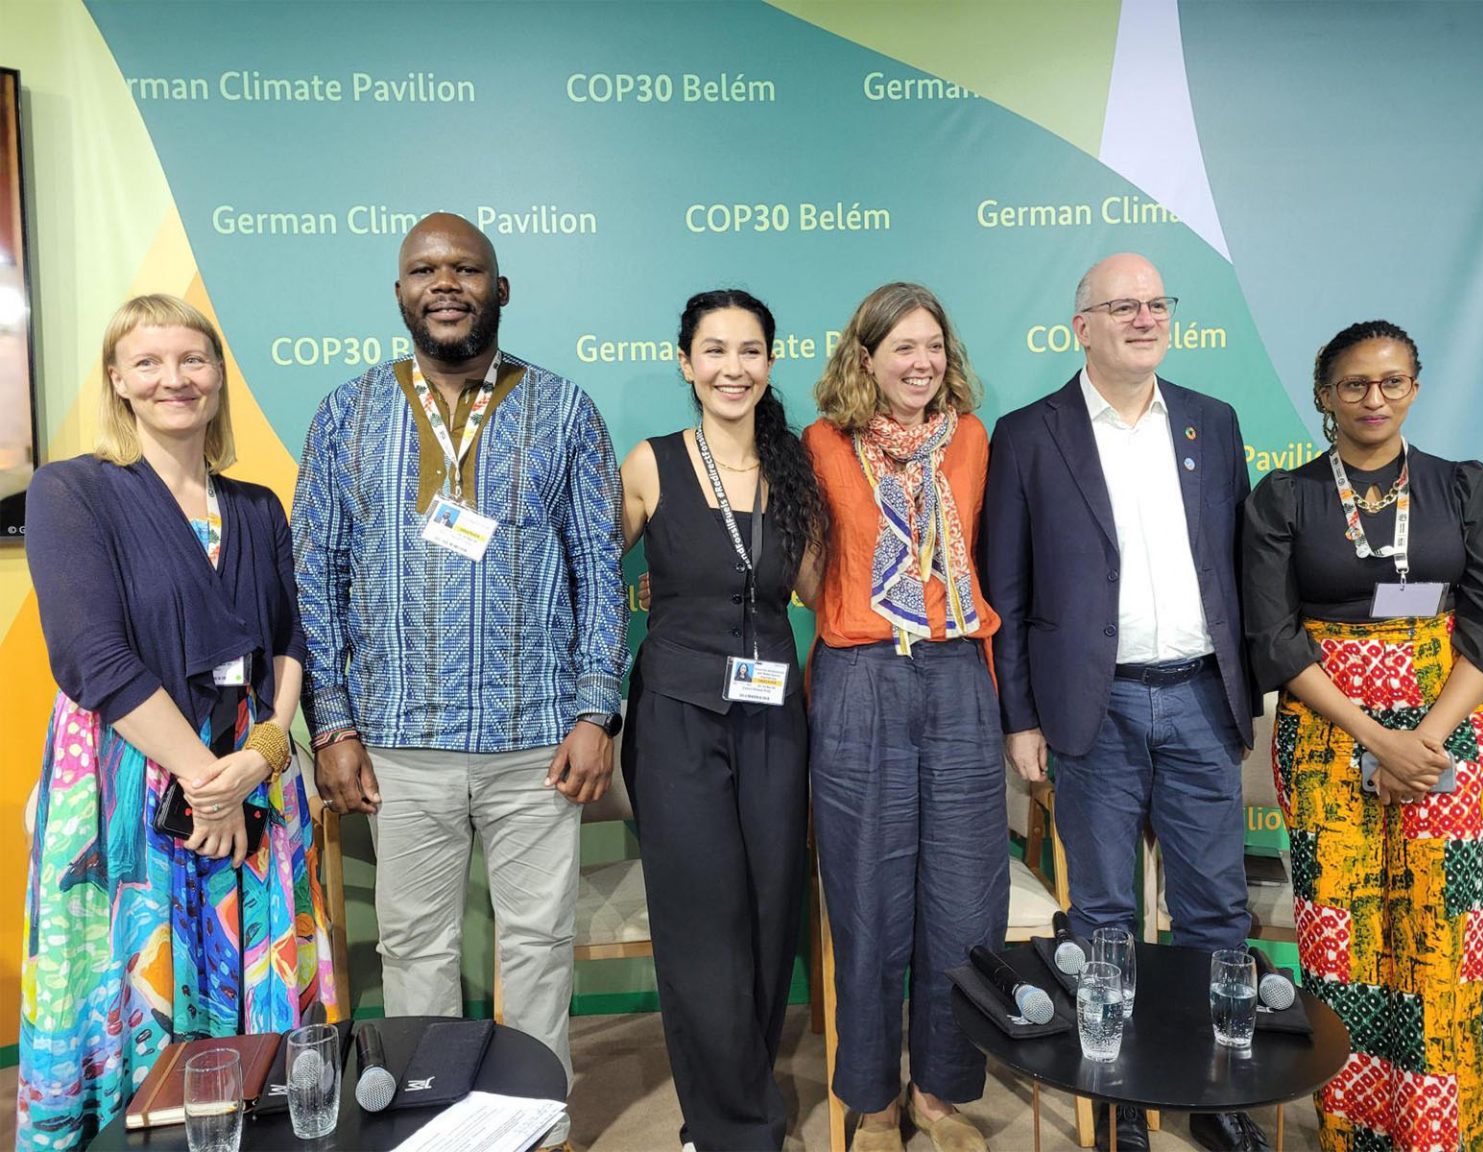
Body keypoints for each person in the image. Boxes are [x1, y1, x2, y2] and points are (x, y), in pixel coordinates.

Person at [290, 213, 628, 1149]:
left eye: (466, 268)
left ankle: (535, 1129)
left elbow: (601, 570)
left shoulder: (564, 409)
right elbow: (314, 574)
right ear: (400, 293)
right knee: (416, 955)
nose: (446, 283)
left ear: (500, 289)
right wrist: (334, 725)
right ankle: (431, 1132)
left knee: (538, 954)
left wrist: (597, 709)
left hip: (537, 742)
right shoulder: (346, 412)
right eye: (425, 270)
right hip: (400, 743)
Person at [18, 294, 336, 1149]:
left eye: (192, 360)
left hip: (253, 776)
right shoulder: (71, 491)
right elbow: (94, 658)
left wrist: (258, 757)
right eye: (148, 363)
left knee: (259, 1029)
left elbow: (291, 640)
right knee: (145, 1006)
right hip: (136, 781)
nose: (174, 379)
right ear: (117, 380)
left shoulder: (260, 505)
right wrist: (208, 780)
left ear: (218, 377)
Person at [982, 253, 1264, 1152]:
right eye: (1122, 306)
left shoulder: (1212, 424)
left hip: (1197, 699)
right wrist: (1021, 720)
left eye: (1156, 303)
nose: (1145, 318)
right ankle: (1122, 1108)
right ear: (1082, 327)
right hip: (1089, 713)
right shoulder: (1029, 434)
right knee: (1103, 920)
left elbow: (1241, 573)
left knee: (1216, 912)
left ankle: (1218, 1098)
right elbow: (1010, 592)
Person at [1243, 320, 1483, 1152]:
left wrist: (1422, 739)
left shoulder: (1465, 488)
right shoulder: (1283, 499)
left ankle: (1454, 1130)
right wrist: (1374, 737)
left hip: (1452, 738)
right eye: (1356, 384)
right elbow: (1275, 640)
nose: (1375, 398)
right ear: (1324, 396)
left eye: (1393, 381)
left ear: (1415, 386)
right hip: (1331, 741)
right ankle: (1358, 1131)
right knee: (1350, 944)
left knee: (1451, 941)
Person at [619, 289, 824, 1151]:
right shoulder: (652, 462)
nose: (732, 368)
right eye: (714, 350)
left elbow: (818, 594)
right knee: (702, 918)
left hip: (776, 714)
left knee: (773, 910)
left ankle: (743, 1090)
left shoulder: (796, 468)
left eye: (749, 352)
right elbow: (592, 582)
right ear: (685, 361)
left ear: (770, 364)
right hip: (675, 718)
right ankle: (732, 1123)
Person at [805, 282, 1005, 1152]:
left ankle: (940, 1095)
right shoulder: (821, 443)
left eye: (933, 346)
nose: (920, 363)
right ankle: (873, 1100)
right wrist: (863, 617)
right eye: (901, 349)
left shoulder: (971, 439)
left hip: (960, 673)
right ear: (866, 357)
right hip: (860, 677)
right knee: (868, 900)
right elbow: (810, 567)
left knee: (964, 902)